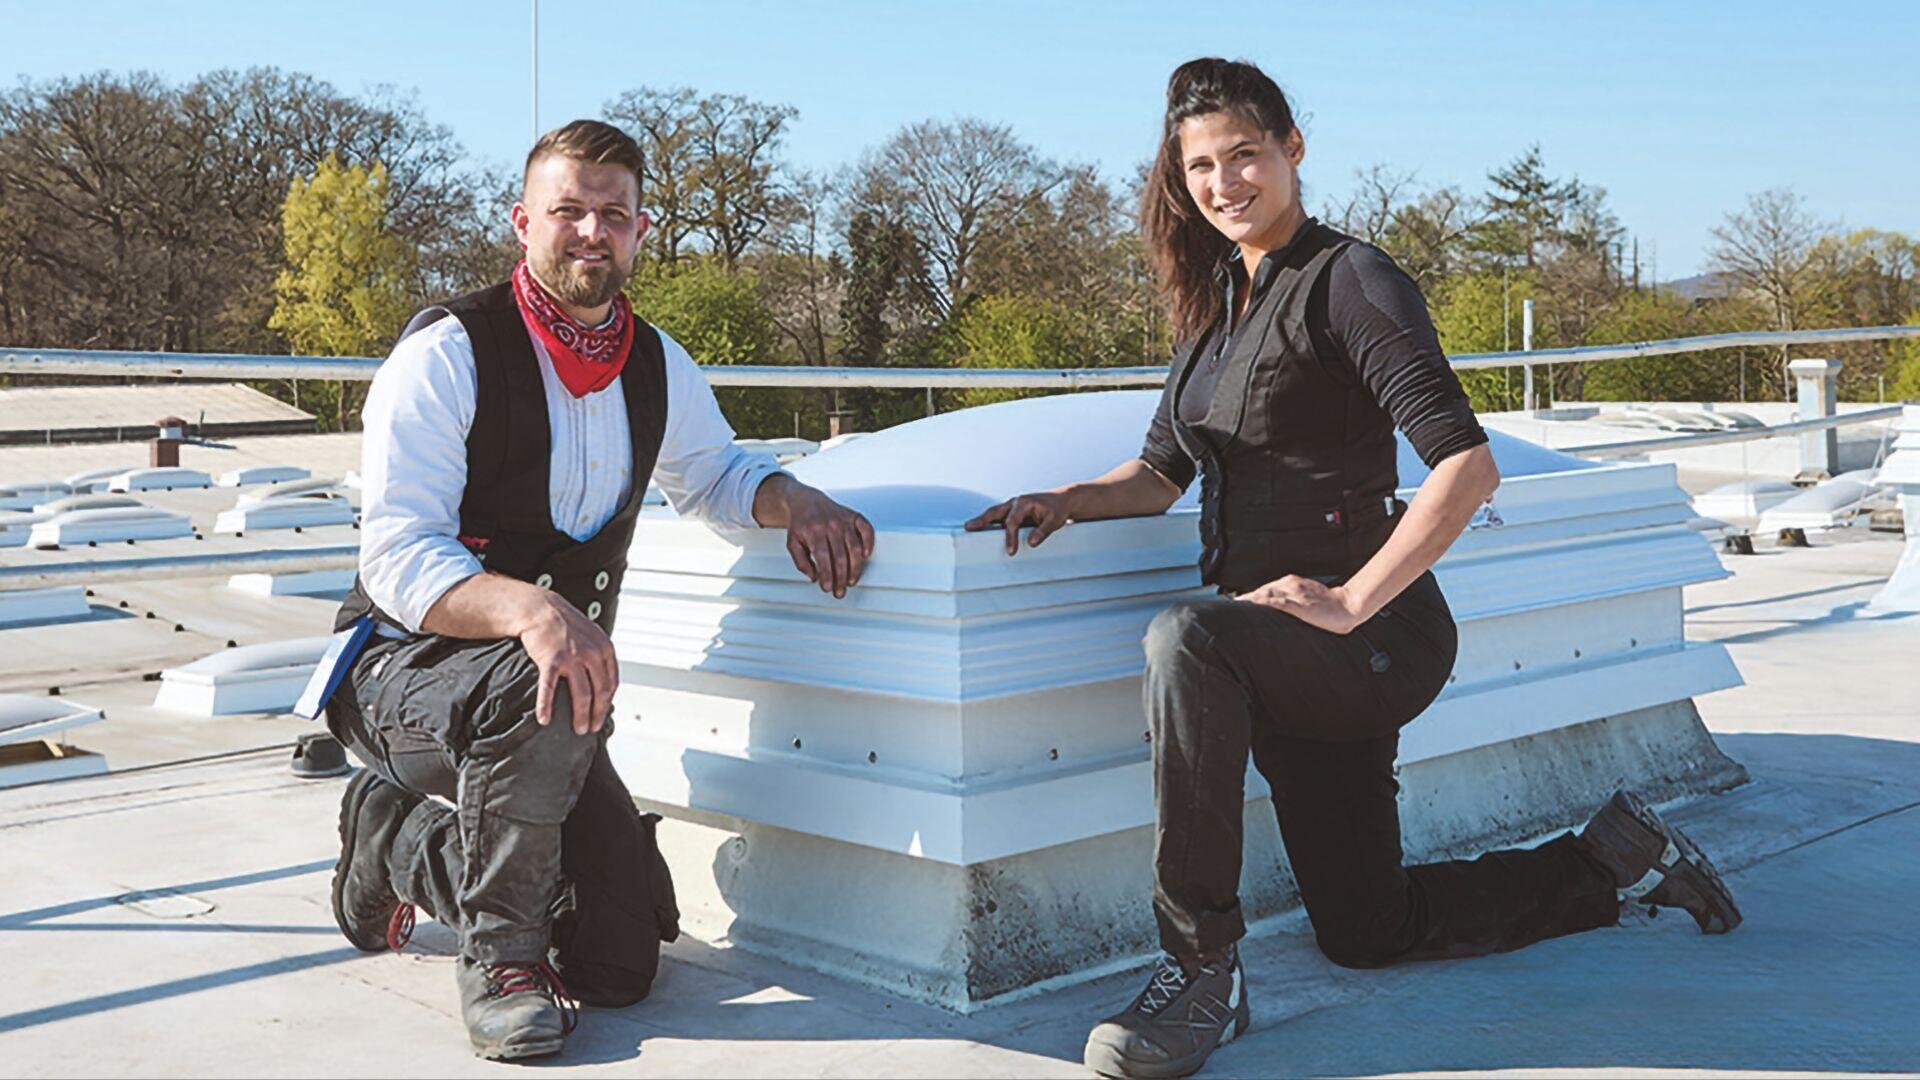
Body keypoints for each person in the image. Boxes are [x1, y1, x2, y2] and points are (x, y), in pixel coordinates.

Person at [965, 59, 1741, 1080]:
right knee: (1370, 927)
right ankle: (1615, 862)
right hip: (1271, 651)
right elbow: (1160, 472)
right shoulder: (1213, 307)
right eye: (1201, 164)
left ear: (1293, 148)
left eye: (1245, 153)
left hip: (1369, 638)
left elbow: (1466, 464)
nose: (1224, 181)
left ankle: (1201, 974)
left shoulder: (1352, 282)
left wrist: (1349, 600)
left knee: (1183, 636)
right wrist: (1069, 500)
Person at [323, 120, 874, 1061]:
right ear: (522, 222)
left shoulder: (655, 361)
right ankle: (501, 966)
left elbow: (718, 477)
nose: (590, 231)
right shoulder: (448, 351)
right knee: (532, 687)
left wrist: (801, 500)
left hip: (552, 704)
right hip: (398, 673)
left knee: (620, 954)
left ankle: (393, 839)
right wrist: (532, 610)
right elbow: (399, 556)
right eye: (568, 210)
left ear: (641, 232)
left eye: (612, 214)